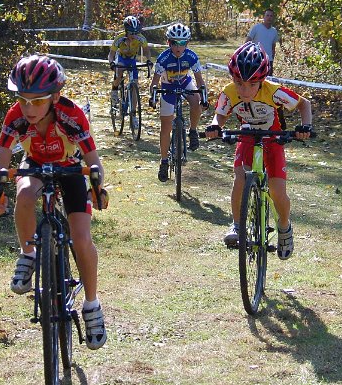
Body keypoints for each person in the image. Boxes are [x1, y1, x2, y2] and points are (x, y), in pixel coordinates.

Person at [0, 55, 109, 349]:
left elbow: (94, 161)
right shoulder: (14, 117)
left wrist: (97, 185)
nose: (28, 108)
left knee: (81, 238)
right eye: (23, 100)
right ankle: (28, 254)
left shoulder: (72, 115)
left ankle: (92, 305)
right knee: (25, 194)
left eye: (38, 101)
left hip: (71, 168)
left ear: (55, 96)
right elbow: (0, 164)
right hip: (34, 165)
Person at [204, 42, 313, 258]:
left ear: (262, 81)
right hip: (247, 136)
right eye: (239, 83)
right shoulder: (229, 92)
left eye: (251, 84)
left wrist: (305, 126)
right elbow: (221, 114)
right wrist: (215, 126)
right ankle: (237, 225)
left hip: (273, 139)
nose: (244, 90)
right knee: (240, 179)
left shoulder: (274, 91)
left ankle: (284, 227)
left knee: (277, 191)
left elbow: (304, 105)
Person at [149, 23, 208, 182]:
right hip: (167, 87)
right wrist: (153, 96)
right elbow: (154, 82)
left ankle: (193, 131)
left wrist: (204, 97)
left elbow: (199, 81)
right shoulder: (163, 58)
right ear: (168, 42)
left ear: (187, 43)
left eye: (182, 43)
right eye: (174, 43)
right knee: (166, 126)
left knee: (195, 100)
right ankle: (164, 161)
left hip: (185, 83)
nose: (178, 47)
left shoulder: (192, 56)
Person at [108, 16, 153, 105]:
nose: (134, 35)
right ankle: (114, 90)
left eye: (136, 32)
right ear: (126, 31)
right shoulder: (119, 38)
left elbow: (147, 51)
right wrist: (111, 63)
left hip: (132, 59)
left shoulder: (141, 38)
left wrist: (148, 60)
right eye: (131, 33)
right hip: (121, 58)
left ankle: (133, 111)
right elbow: (111, 54)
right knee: (119, 73)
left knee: (135, 84)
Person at [246, 9, 281, 75]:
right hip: (256, 59)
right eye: (267, 15)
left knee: (268, 80)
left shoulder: (274, 31)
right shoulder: (256, 28)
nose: (269, 17)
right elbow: (247, 43)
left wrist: (271, 60)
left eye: (271, 16)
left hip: (268, 61)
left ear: (273, 18)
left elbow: (273, 47)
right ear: (263, 17)